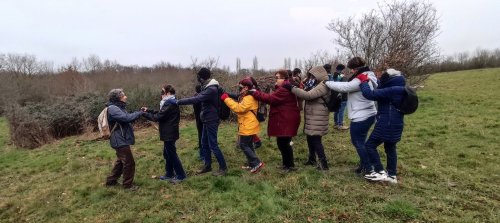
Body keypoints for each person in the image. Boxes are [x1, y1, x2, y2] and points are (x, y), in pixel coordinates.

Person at [324, 57, 378, 175]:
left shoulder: (361, 78)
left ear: (356, 68)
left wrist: (327, 83)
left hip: (361, 115)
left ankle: (369, 169)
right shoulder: (370, 75)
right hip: (368, 112)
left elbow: (345, 87)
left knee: (357, 142)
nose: (351, 72)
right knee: (361, 142)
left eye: (352, 69)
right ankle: (364, 165)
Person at [356, 69, 407, 184]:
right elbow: (381, 90)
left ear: (389, 79)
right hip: (397, 123)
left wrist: (363, 81)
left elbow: (370, 94)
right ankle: (392, 176)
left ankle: (380, 172)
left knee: (369, 146)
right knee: (390, 148)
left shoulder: (392, 90)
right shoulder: (400, 88)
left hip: (386, 124)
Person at [177, 68, 228, 176]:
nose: (197, 79)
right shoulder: (206, 87)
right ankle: (207, 165)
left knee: (213, 144)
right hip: (206, 119)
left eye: (198, 77)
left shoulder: (211, 89)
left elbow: (196, 99)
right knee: (204, 143)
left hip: (211, 120)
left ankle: (223, 168)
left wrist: (177, 102)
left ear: (202, 77)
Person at [250, 69, 301, 172]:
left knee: (284, 144)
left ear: (284, 78)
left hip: (286, 120)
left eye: (278, 78)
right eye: (276, 78)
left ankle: (290, 166)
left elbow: (271, 99)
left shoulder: (284, 90)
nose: (276, 80)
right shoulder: (283, 87)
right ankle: (286, 164)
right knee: (282, 143)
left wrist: (256, 93)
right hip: (284, 119)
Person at [283, 66, 331, 170]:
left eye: (313, 76)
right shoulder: (317, 83)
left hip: (318, 117)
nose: (311, 78)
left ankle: (323, 164)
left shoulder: (323, 85)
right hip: (314, 116)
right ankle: (312, 159)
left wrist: (291, 88)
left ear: (319, 75)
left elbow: (308, 95)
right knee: (310, 139)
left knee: (316, 140)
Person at [142, 84, 187, 184]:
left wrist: (144, 114)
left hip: (169, 132)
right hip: (169, 131)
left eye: (162, 92)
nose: (161, 94)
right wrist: (148, 110)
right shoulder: (169, 102)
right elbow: (161, 112)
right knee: (167, 154)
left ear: (168, 93)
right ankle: (169, 173)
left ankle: (181, 175)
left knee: (171, 154)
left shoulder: (169, 103)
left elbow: (158, 117)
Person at [221, 77, 265, 173]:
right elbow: (238, 99)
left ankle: (257, 163)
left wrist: (226, 99)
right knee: (248, 145)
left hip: (248, 125)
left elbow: (239, 108)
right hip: (248, 124)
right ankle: (252, 164)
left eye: (240, 87)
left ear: (246, 88)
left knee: (243, 144)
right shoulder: (247, 95)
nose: (239, 89)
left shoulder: (249, 97)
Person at [104, 88, 144, 190]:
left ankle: (111, 181)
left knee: (121, 161)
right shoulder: (113, 108)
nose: (126, 97)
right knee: (129, 162)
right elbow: (127, 118)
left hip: (121, 138)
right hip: (119, 140)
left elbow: (127, 117)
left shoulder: (118, 107)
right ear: (118, 98)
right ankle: (127, 185)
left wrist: (137, 113)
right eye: (123, 95)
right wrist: (139, 113)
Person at [333, 64, 349, 130]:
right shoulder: (342, 76)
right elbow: (344, 86)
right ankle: (340, 124)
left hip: (336, 95)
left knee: (337, 110)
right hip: (343, 96)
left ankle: (336, 123)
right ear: (342, 69)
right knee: (341, 110)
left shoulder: (334, 76)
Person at [193, 84, 203, 160]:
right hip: (203, 119)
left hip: (198, 120)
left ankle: (202, 154)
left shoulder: (195, 97)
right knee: (203, 136)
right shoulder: (202, 97)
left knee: (200, 136)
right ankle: (203, 154)